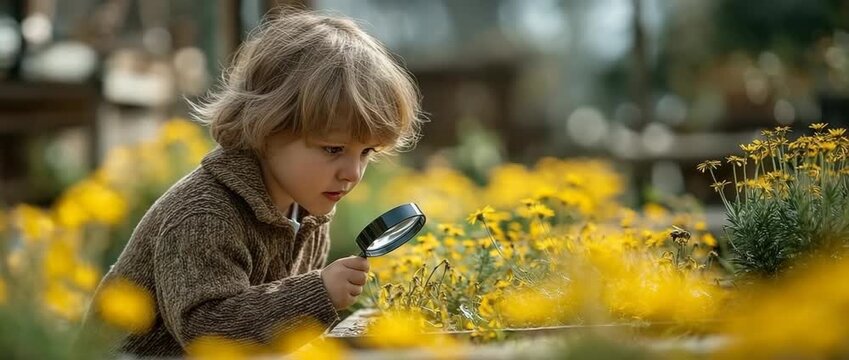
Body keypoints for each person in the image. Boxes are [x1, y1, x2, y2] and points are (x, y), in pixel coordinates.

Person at [82, 8, 422, 356]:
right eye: (333, 149)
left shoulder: (307, 211)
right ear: (266, 127)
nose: (352, 173)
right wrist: (316, 293)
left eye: (365, 152)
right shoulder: (205, 216)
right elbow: (207, 334)